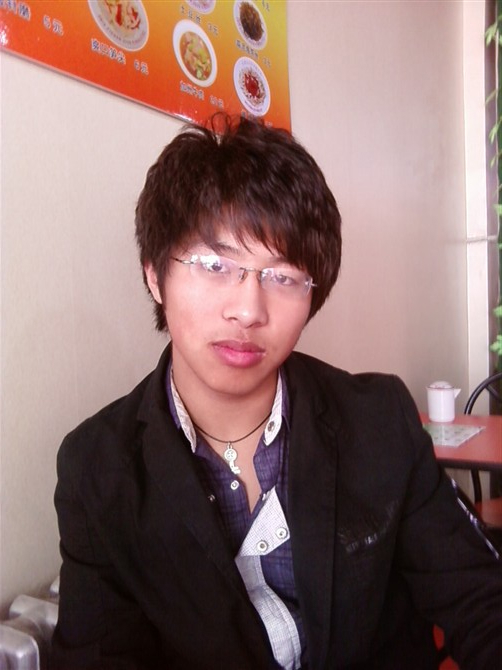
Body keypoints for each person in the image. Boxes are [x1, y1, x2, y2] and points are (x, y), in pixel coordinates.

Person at [51, 115, 502, 670]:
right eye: (215, 265)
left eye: (283, 277)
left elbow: (481, 599)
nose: (248, 310)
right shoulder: (97, 470)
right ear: (154, 275)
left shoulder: (379, 421)